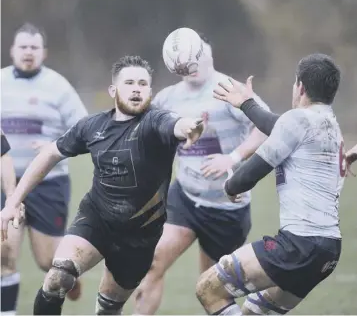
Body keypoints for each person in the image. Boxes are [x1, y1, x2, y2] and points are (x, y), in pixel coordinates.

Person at [1, 55, 204, 315]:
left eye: (143, 84)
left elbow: (177, 124)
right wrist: (13, 201)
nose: (136, 88)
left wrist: (190, 127)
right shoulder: (92, 126)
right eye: (129, 82)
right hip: (95, 219)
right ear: (113, 90)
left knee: (108, 309)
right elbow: (49, 154)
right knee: (57, 278)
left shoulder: (155, 122)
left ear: (150, 92)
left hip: (139, 235)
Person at [196, 53, 344, 315]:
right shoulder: (329, 125)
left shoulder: (297, 120)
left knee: (209, 288)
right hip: (328, 250)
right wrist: (246, 103)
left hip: (298, 244)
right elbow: (276, 125)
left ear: (300, 87)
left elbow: (249, 173)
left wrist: (231, 186)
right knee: (255, 312)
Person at [134, 33, 269, 315]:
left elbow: (266, 125)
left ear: (208, 54)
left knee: (211, 287)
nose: (191, 64)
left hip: (226, 207)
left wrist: (232, 158)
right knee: (153, 260)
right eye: (183, 60)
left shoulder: (229, 88)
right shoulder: (167, 98)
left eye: (197, 55)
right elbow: (148, 137)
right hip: (184, 197)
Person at [1, 22, 88, 313]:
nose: (28, 52)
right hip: (4, 182)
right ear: (12, 51)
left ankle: (71, 277)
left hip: (48, 183)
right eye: (23, 47)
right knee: (3, 253)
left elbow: (83, 128)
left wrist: (55, 144)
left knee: (47, 261)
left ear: (44, 53)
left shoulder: (57, 86)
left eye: (33, 47)